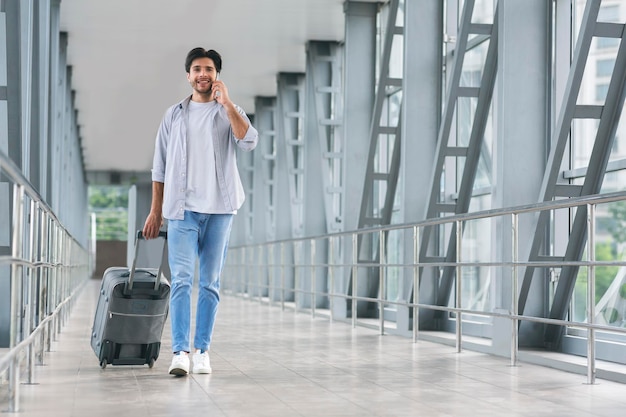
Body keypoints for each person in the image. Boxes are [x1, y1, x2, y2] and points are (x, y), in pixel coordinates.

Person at [142, 47, 258, 376]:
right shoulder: (174, 115)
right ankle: (179, 352)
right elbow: (159, 166)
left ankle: (202, 350)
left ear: (216, 75)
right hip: (182, 211)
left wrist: (228, 104)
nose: (202, 74)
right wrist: (156, 210)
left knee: (209, 283)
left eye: (208, 68)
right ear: (188, 75)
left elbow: (248, 141)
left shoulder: (228, 111)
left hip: (220, 211)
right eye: (196, 69)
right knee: (181, 280)